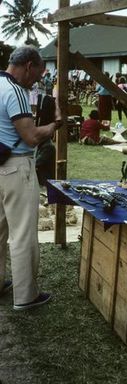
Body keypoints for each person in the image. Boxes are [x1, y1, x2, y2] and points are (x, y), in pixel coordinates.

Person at [0, 45, 62, 310]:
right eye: (37, 74)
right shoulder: (16, 91)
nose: (37, 79)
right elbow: (31, 136)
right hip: (16, 167)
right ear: (28, 66)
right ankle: (26, 296)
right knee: (23, 232)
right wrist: (54, 125)